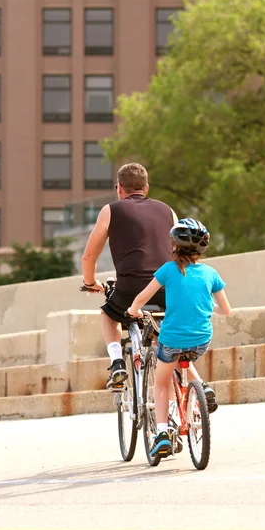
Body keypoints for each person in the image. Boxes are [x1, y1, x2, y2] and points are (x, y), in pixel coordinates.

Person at [127, 218, 231, 458]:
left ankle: (162, 434)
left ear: (173, 245)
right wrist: (207, 307)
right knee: (186, 354)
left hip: (172, 339)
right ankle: (202, 387)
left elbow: (143, 297)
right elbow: (226, 310)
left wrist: (133, 310)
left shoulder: (168, 270)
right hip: (202, 339)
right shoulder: (211, 273)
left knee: (161, 381)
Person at [81, 162, 177, 390]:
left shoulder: (111, 210)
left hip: (131, 289)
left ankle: (116, 362)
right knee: (161, 331)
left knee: (109, 313)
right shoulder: (169, 211)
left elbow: (88, 257)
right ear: (147, 187)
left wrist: (90, 282)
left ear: (119, 188)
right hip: (168, 287)